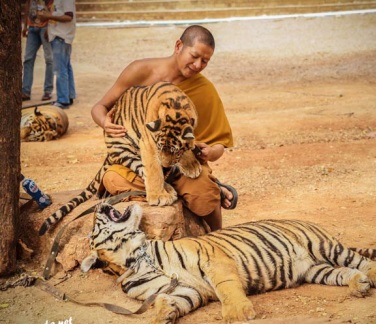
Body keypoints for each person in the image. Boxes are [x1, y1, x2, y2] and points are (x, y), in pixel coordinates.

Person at [91, 25, 237, 231]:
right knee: (112, 179)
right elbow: (99, 107)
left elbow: (219, 145)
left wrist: (210, 152)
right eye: (194, 56)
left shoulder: (205, 90)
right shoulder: (139, 71)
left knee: (205, 195)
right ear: (178, 46)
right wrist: (104, 122)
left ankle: (219, 231)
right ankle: (175, 189)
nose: (198, 65)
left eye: (205, 61)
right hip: (140, 159)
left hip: (181, 162)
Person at [37, 0, 76, 109]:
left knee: (60, 70)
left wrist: (48, 16)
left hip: (61, 37)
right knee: (66, 67)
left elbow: (69, 16)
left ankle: (63, 100)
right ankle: (69, 95)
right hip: (58, 35)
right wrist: (49, 29)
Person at [21, 0, 54, 102]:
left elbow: (52, 9)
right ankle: (25, 91)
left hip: (45, 27)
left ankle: (48, 91)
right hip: (32, 28)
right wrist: (25, 25)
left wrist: (50, 28)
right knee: (28, 59)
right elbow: (28, 6)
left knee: (49, 59)